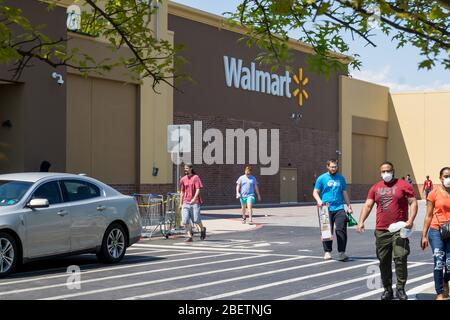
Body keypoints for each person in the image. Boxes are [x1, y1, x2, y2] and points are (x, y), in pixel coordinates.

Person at [357, 161, 418, 300]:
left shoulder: (404, 185)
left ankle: (401, 289)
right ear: (380, 173)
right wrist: (361, 221)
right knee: (383, 261)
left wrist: (411, 220)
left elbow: (413, 202)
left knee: (400, 257)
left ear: (393, 171)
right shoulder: (375, 188)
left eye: (388, 171)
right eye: (383, 171)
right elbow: (368, 205)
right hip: (381, 230)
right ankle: (387, 289)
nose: (386, 174)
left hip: (400, 229)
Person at [313, 159, 353, 262]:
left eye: (335, 167)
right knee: (326, 231)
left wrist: (348, 206)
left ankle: (341, 253)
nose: (334, 168)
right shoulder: (321, 178)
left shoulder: (341, 178)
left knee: (341, 229)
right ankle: (327, 252)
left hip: (339, 207)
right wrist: (319, 201)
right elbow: (315, 192)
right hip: (325, 208)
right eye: (332, 167)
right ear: (327, 166)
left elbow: (344, 193)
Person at [420, 167, 450, 300]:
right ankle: (439, 293)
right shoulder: (433, 193)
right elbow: (428, 215)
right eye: (445, 176)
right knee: (439, 261)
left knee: (449, 264)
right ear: (440, 178)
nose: (448, 178)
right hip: (436, 230)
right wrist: (423, 235)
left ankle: (445, 280)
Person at [179, 163, 206, 242]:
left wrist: (194, 198)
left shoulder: (196, 177)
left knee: (196, 220)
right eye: (185, 168)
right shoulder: (183, 179)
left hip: (195, 203)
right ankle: (189, 236)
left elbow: (198, 189)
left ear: (191, 168)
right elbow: (182, 192)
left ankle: (202, 229)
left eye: (187, 168)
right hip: (185, 202)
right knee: (184, 221)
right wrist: (180, 203)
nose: (185, 170)